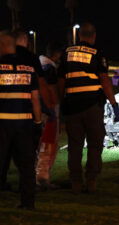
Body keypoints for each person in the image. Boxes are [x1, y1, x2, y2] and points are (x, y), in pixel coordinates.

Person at [58, 22, 119, 194]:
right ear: (93, 36)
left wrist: (60, 102)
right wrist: (114, 104)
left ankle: (76, 183)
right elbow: (104, 80)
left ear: (79, 35)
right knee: (94, 144)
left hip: (72, 106)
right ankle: (91, 180)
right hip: (93, 105)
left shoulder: (67, 53)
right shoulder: (97, 53)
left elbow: (61, 81)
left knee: (75, 145)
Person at [0, 30, 42, 209]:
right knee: (26, 166)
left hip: (2, 124)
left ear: (3, 45)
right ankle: (28, 202)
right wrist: (38, 123)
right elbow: (35, 99)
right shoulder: (29, 68)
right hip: (24, 125)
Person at [36, 42, 64, 190]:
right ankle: (42, 178)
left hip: (38, 110)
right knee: (48, 144)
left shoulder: (38, 64)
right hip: (49, 110)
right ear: (56, 54)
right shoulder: (49, 68)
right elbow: (50, 89)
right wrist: (53, 109)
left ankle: (37, 175)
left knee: (40, 143)